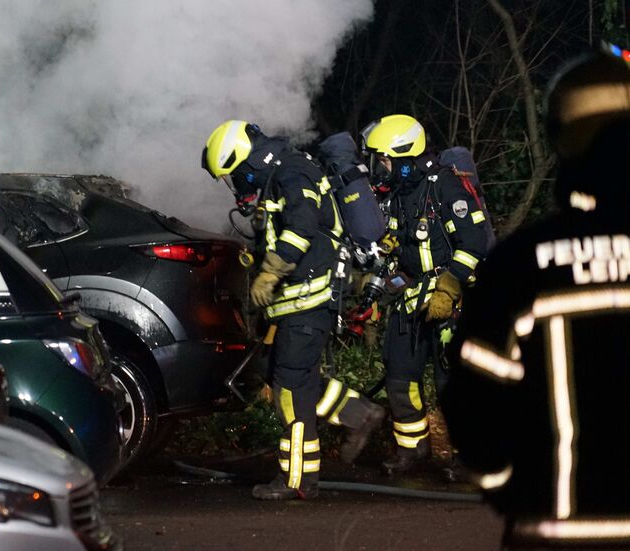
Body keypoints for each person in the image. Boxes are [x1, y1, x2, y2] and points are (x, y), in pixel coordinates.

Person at [442, 45, 630, 548]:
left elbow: (472, 401)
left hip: (556, 530)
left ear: (561, 138)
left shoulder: (520, 265)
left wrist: (507, 487)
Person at [201, 120, 385, 500]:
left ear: (242, 162)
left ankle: (296, 479)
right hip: (299, 303)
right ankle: (359, 413)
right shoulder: (281, 175)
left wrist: (270, 272)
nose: (237, 184)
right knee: (285, 376)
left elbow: (301, 229)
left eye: (234, 175)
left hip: (309, 301)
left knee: (289, 388)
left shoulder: (292, 171)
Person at [359, 114, 491, 475]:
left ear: (404, 159)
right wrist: (378, 281)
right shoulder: (398, 194)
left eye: (383, 160)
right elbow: (397, 245)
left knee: (453, 383)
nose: (379, 168)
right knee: (400, 378)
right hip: (411, 299)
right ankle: (412, 449)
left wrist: (449, 287)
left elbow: (474, 243)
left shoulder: (446, 186)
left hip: (452, 302)